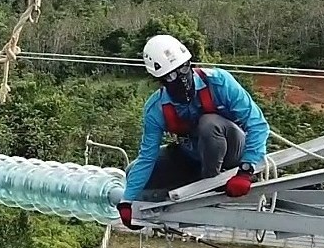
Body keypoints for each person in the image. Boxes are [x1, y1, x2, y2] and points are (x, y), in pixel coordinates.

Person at [116, 34, 270, 229]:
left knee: (209, 124)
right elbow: (148, 157)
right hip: (193, 154)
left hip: (231, 149)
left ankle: (211, 184)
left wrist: (246, 170)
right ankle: (184, 188)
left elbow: (257, 124)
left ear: (190, 63)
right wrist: (127, 201)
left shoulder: (219, 82)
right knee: (132, 172)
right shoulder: (156, 109)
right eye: (171, 75)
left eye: (183, 68)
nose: (181, 78)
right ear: (161, 80)